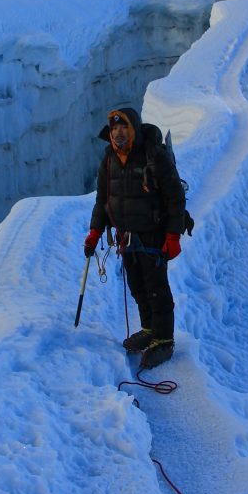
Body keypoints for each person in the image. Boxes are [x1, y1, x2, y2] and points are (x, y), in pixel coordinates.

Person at [84, 107, 186, 369]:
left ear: (134, 128)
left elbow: (175, 198)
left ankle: (164, 340)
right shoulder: (109, 159)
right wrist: (95, 232)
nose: (118, 132)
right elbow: (103, 200)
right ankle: (150, 329)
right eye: (114, 128)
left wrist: (173, 235)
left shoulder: (154, 156)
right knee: (138, 286)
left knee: (156, 287)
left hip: (153, 235)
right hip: (126, 237)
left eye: (123, 127)